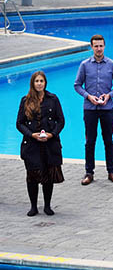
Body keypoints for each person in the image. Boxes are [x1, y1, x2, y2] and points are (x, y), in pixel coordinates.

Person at [74, 34, 113, 185]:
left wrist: (109, 96)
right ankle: (89, 172)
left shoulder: (112, 64)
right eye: (96, 46)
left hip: (107, 108)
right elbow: (77, 85)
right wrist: (88, 96)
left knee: (108, 140)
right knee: (90, 141)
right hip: (89, 109)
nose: (98, 48)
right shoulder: (84, 65)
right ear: (91, 47)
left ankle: (111, 171)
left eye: (101, 45)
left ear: (104, 46)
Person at [16, 71, 65, 217]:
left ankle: (47, 205)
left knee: (48, 175)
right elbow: (19, 123)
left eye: (41, 81)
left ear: (45, 83)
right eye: (36, 81)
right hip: (32, 145)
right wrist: (31, 134)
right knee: (32, 176)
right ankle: (33, 206)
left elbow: (61, 121)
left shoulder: (53, 99)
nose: (39, 84)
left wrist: (52, 134)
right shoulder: (25, 100)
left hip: (49, 144)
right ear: (32, 83)